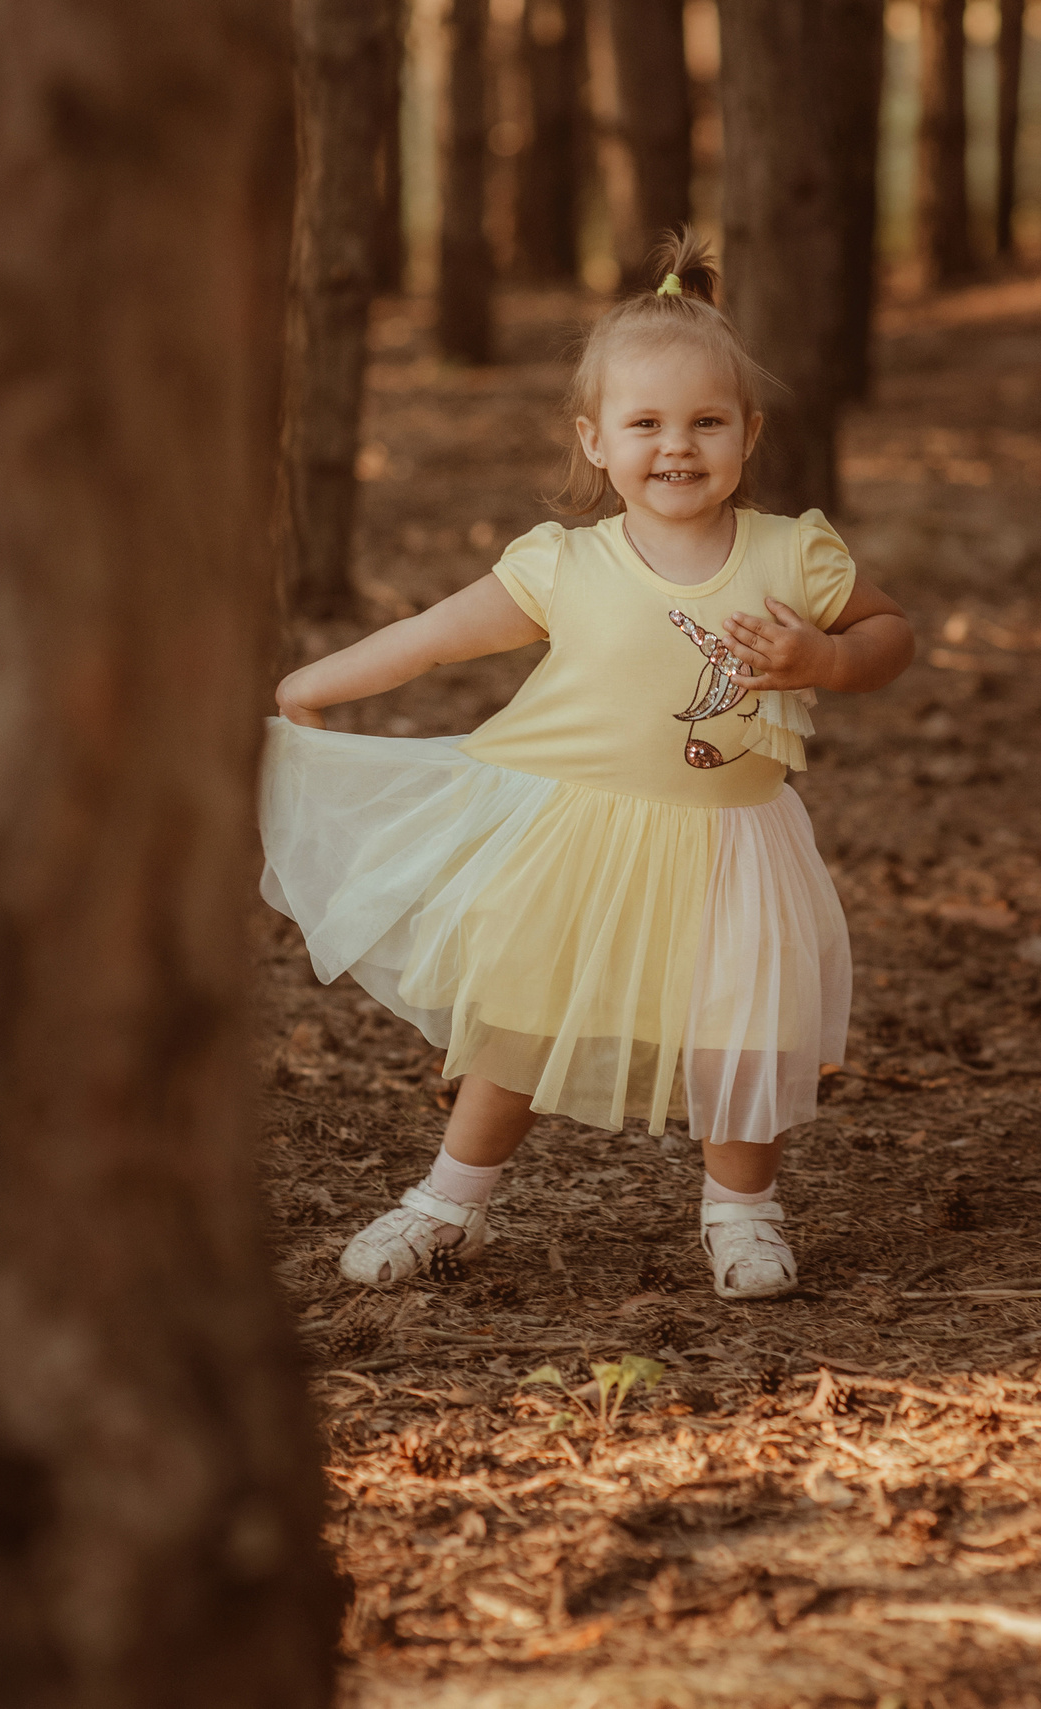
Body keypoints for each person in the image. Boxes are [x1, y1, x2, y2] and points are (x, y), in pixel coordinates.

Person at [262, 229, 915, 1300]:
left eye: (707, 421)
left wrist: (826, 656)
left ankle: (742, 1214)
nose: (677, 446)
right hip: (574, 842)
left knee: (739, 1033)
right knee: (518, 1024)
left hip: (731, 843)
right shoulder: (564, 564)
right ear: (596, 440)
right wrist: (313, 685)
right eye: (645, 422)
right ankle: (449, 1203)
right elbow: (433, 634)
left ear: (748, 434)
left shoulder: (791, 552)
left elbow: (891, 633)